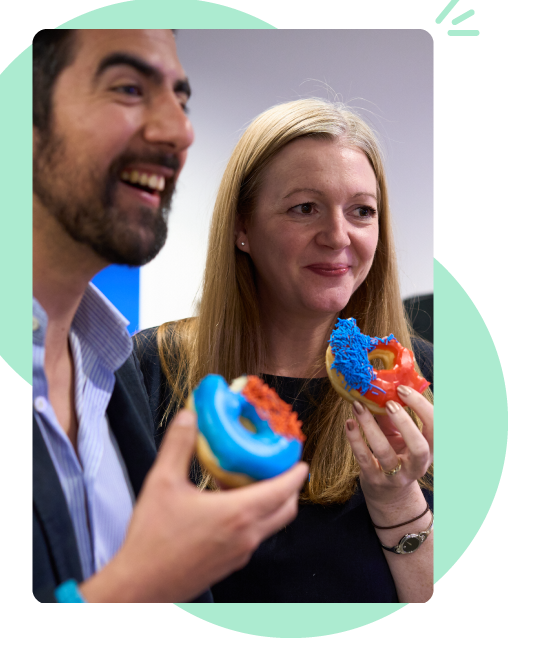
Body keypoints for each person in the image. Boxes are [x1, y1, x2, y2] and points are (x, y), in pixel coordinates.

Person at [32, 28, 309, 603]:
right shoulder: (153, 364)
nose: (180, 131)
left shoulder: (110, 367)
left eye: (181, 100)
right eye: (129, 88)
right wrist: (138, 587)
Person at [133, 98, 436, 603]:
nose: (338, 236)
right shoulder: (153, 368)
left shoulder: (425, 380)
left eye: (362, 211)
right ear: (242, 227)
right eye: (304, 208)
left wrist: (398, 499)